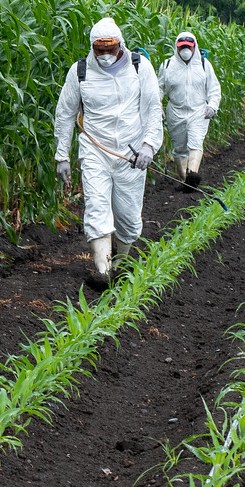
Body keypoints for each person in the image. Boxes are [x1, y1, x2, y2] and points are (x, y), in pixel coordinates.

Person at [53, 17, 164, 287]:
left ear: (120, 46)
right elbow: (65, 114)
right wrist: (62, 157)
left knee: (127, 217)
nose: (104, 55)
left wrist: (149, 146)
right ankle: (103, 271)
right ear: (92, 47)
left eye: (109, 49)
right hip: (95, 151)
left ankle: (121, 264)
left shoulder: (140, 67)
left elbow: (152, 109)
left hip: (131, 153)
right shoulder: (79, 71)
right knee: (97, 207)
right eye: (99, 50)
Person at [157, 30, 221, 190]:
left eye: (189, 47)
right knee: (179, 148)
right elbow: (159, 88)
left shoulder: (204, 65)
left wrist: (212, 106)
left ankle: (193, 174)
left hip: (198, 111)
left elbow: (214, 89)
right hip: (175, 112)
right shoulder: (167, 65)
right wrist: (158, 106)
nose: (185, 50)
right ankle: (186, 181)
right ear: (176, 48)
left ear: (195, 47)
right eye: (182, 47)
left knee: (195, 143)